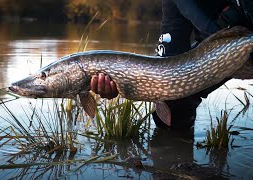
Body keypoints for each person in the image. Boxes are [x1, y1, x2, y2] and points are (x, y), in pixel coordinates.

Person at [90, 0, 253, 129]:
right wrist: (120, 84)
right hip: (224, 53)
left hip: (240, 42)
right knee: (173, 110)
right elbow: (169, 57)